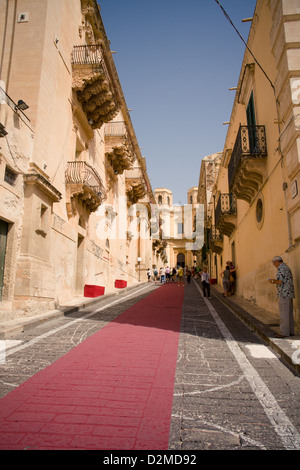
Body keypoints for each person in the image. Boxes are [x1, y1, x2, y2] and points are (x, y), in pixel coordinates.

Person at [268, 256, 295, 338]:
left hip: (283, 293)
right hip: (289, 293)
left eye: (274, 263)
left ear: (277, 261)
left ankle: (284, 332)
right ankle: (290, 331)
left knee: (284, 314)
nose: (274, 265)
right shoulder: (286, 267)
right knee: (289, 313)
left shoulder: (281, 268)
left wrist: (272, 281)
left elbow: (279, 281)